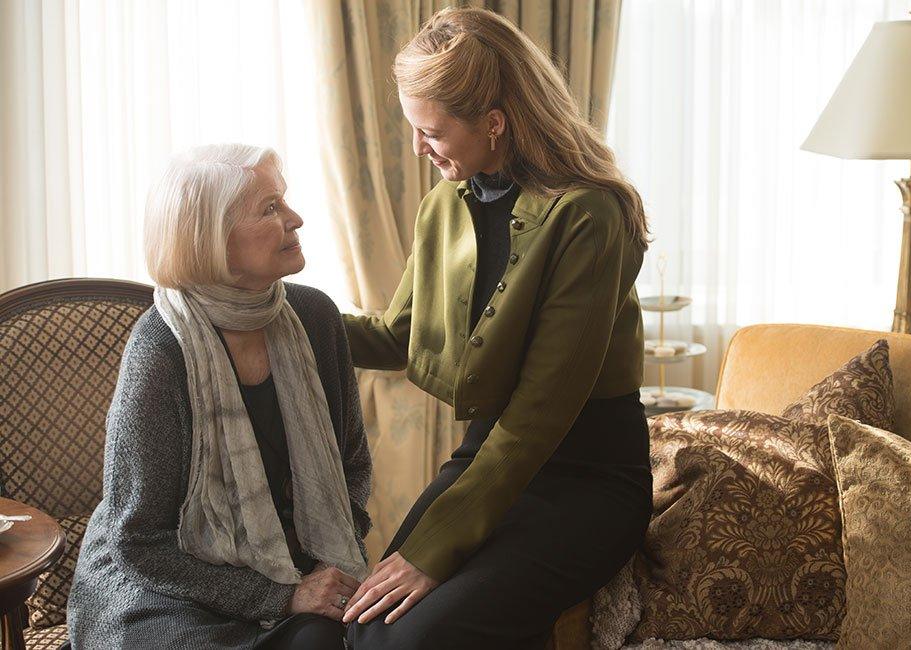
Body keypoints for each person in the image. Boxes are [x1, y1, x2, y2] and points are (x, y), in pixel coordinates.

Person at [341, 7, 654, 649]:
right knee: (369, 633)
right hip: (487, 459)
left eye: (431, 132)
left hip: (587, 478)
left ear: (494, 122)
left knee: (409, 643)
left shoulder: (590, 216)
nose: (418, 150)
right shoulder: (446, 207)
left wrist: (435, 547)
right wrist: (278, 308)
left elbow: (540, 413)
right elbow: (401, 336)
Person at [67, 144, 372, 649]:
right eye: (270, 208)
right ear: (212, 239)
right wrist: (277, 598)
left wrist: (328, 565)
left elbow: (352, 467)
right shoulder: (160, 349)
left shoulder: (316, 318)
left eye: (285, 201)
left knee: (329, 640)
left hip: (291, 562)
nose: (295, 219)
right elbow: (139, 542)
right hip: (167, 587)